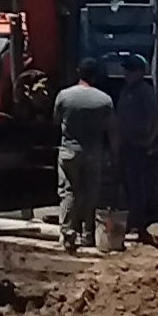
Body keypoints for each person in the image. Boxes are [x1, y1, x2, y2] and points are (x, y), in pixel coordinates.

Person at [53, 58, 116, 252]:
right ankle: (88, 234)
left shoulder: (64, 96)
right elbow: (112, 130)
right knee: (91, 194)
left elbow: (56, 120)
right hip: (93, 153)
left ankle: (68, 233)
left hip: (69, 152)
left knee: (68, 191)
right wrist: (115, 154)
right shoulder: (105, 101)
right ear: (96, 76)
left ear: (78, 73)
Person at [114, 53, 158, 243]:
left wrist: (149, 140)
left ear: (139, 72)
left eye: (130, 70)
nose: (126, 73)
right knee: (127, 185)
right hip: (126, 145)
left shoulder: (144, 92)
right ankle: (130, 220)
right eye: (126, 70)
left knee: (137, 187)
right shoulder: (126, 90)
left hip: (138, 146)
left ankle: (139, 223)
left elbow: (156, 118)